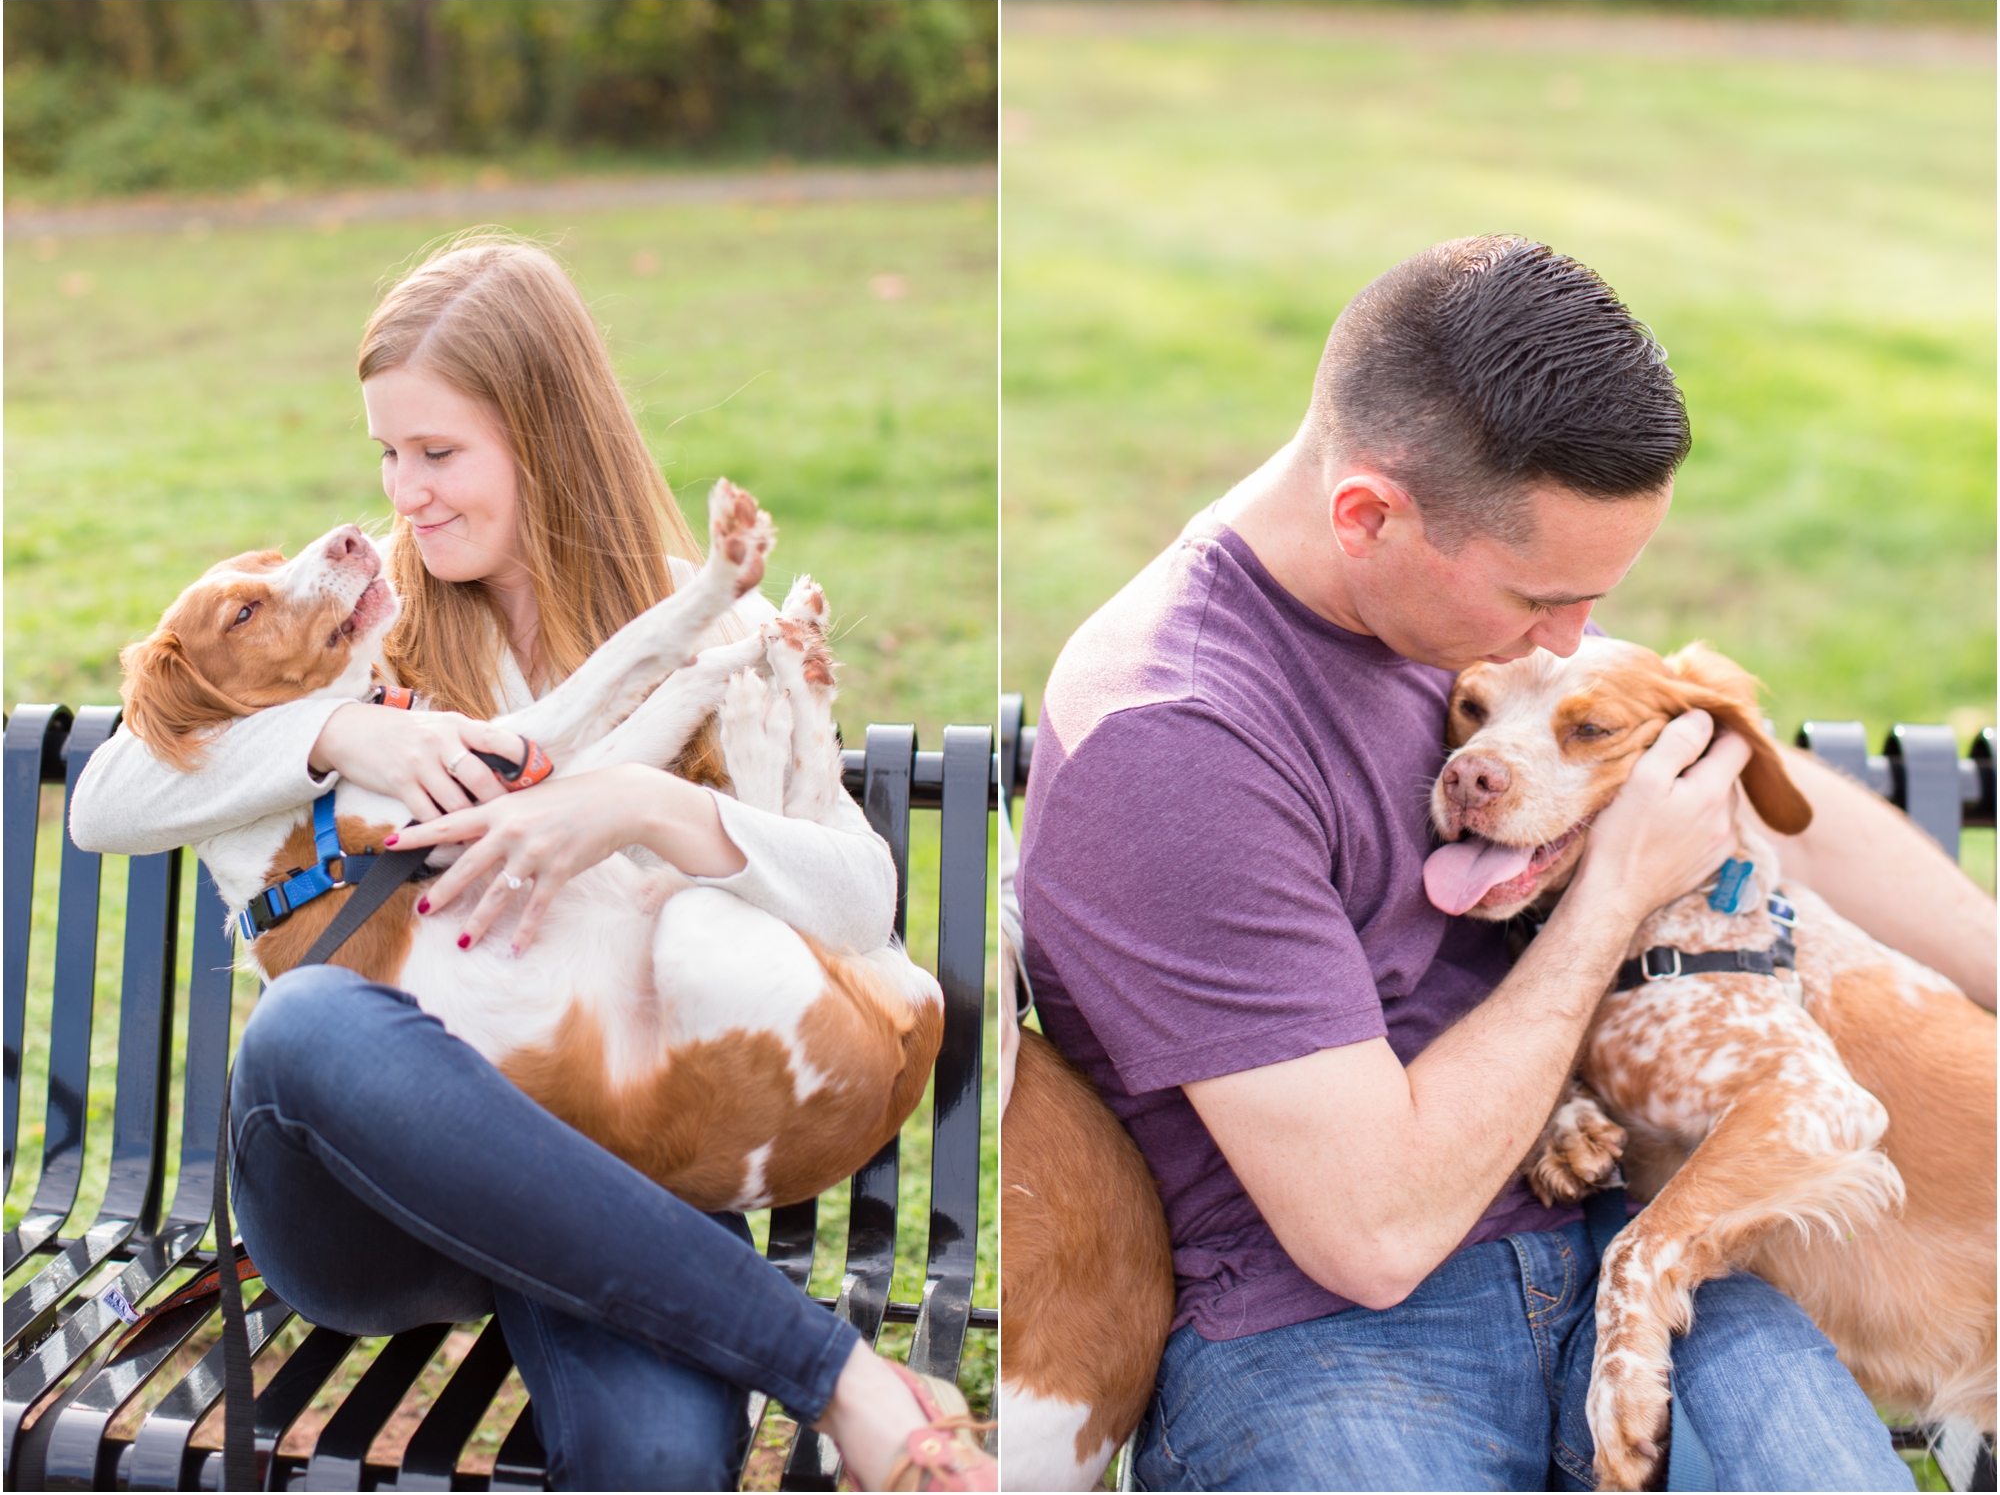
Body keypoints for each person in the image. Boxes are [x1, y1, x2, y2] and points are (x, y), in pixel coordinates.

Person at [1016, 235, 1995, 1492]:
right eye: (1544, 599)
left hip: (1622, 1238)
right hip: (1334, 1335)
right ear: (1366, 512)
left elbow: (1751, 792)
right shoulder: (1176, 737)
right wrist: (1611, 894)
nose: (1573, 637)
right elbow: (1369, 1230)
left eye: (1596, 598)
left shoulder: (1466, 614)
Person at [71, 235, 995, 1493]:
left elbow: (857, 901)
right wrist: (344, 727)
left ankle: (779, 1360)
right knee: (304, 1029)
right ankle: (833, 1374)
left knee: (660, 1456)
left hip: (613, 1175)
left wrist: (640, 806)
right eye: (387, 454)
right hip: (375, 1192)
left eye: (438, 454)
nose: (405, 492)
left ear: (544, 436)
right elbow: (111, 793)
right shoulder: (365, 611)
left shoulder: (699, 614)